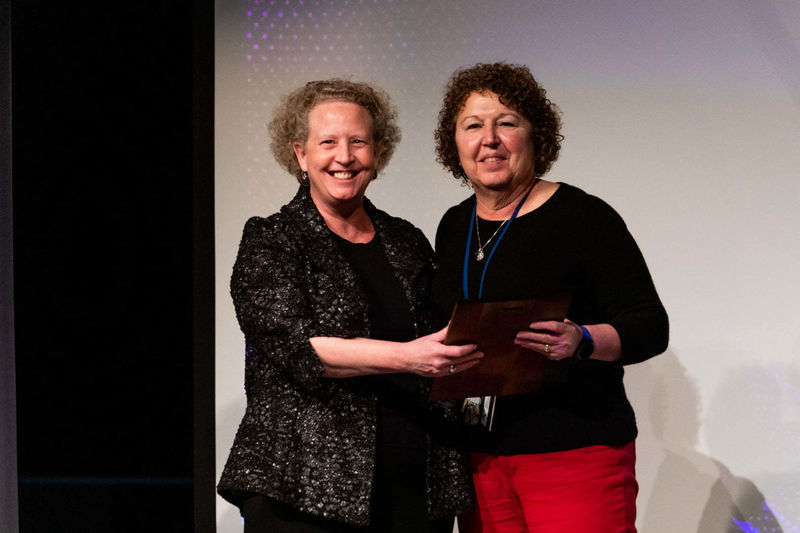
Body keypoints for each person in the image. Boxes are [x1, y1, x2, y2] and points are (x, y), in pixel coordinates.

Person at [217, 79, 482, 532]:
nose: (344, 156)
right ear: (300, 155)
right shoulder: (272, 238)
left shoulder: (407, 240)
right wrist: (409, 357)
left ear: (377, 153)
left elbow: (446, 333)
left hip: (416, 491)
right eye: (328, 142)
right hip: (302, 494)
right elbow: (297, 347)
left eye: (358, 141)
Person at [431, 62, 669, 533]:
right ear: (454, 142)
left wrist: (581, 338)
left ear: (536, 135)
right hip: (480, 458)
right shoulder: (454, 226)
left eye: (507, 123)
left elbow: (649, 325)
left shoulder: (583, 217)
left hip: (573, 449)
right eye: (473, 126)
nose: (490, 139)